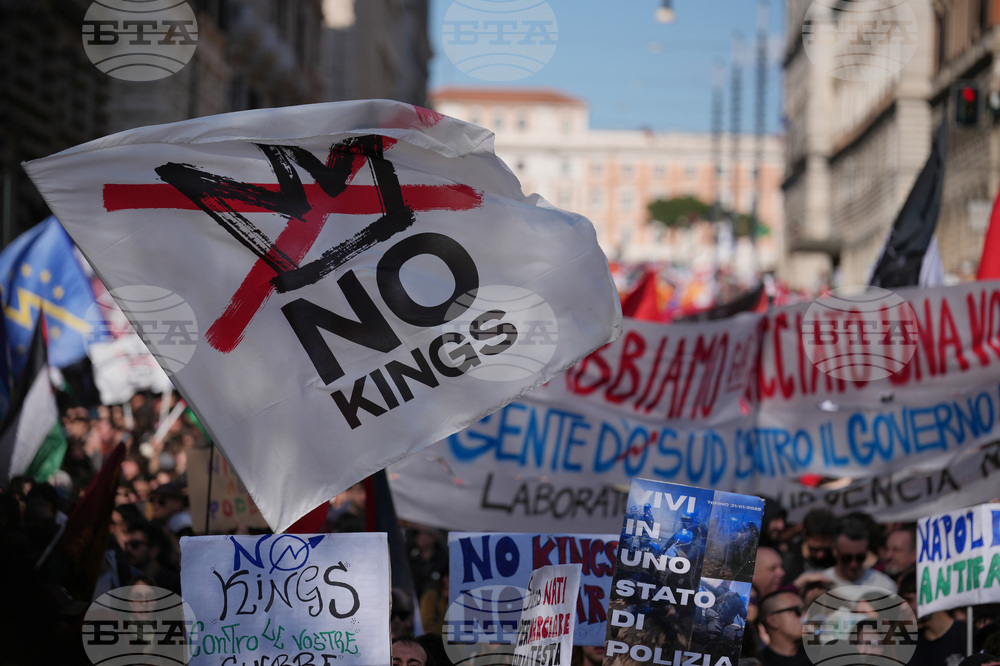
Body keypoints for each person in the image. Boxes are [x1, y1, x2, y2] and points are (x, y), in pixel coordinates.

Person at [900, 573, 966, 666]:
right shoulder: (908, 644)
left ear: (931, 597)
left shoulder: (967, 636)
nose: (902, 607)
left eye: (910, 600)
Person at [822, 517, 896, 592]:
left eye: (860, 557)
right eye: (846, 558)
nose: (853, 564)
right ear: (834, 550)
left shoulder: (885, 586)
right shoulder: (821, 584)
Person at [757, 590, 812, 665]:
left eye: (805, 610)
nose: (806, 616)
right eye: (797, 611)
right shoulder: (757, 663)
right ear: (772, 621)